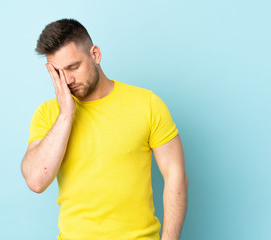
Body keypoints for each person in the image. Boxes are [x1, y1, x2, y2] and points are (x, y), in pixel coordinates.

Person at [21, 18, 188, 240]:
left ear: (95, 54)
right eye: (59, 73)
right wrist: (66, 114)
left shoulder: (147, 104)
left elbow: (175, 175)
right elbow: (36, 180)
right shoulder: (48, 114)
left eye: (74, 67)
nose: (68, 79)